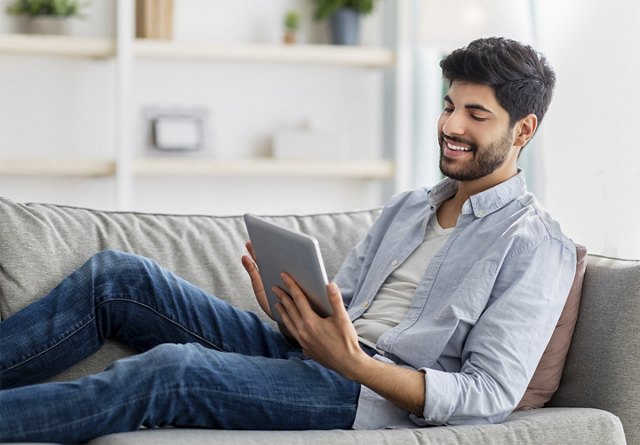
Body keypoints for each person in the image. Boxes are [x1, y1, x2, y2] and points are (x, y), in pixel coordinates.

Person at [0, 37, 576, 442]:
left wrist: (354, 363)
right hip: (314, 356)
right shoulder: (408, 207)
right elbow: (340, 307)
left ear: (524, 129)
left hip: (368, 395)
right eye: (450, 106)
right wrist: (289, 310)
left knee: (172, 371)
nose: (451, 126)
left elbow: (488, 394)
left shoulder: (534, 244)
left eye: (477, 114)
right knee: (119, 278)